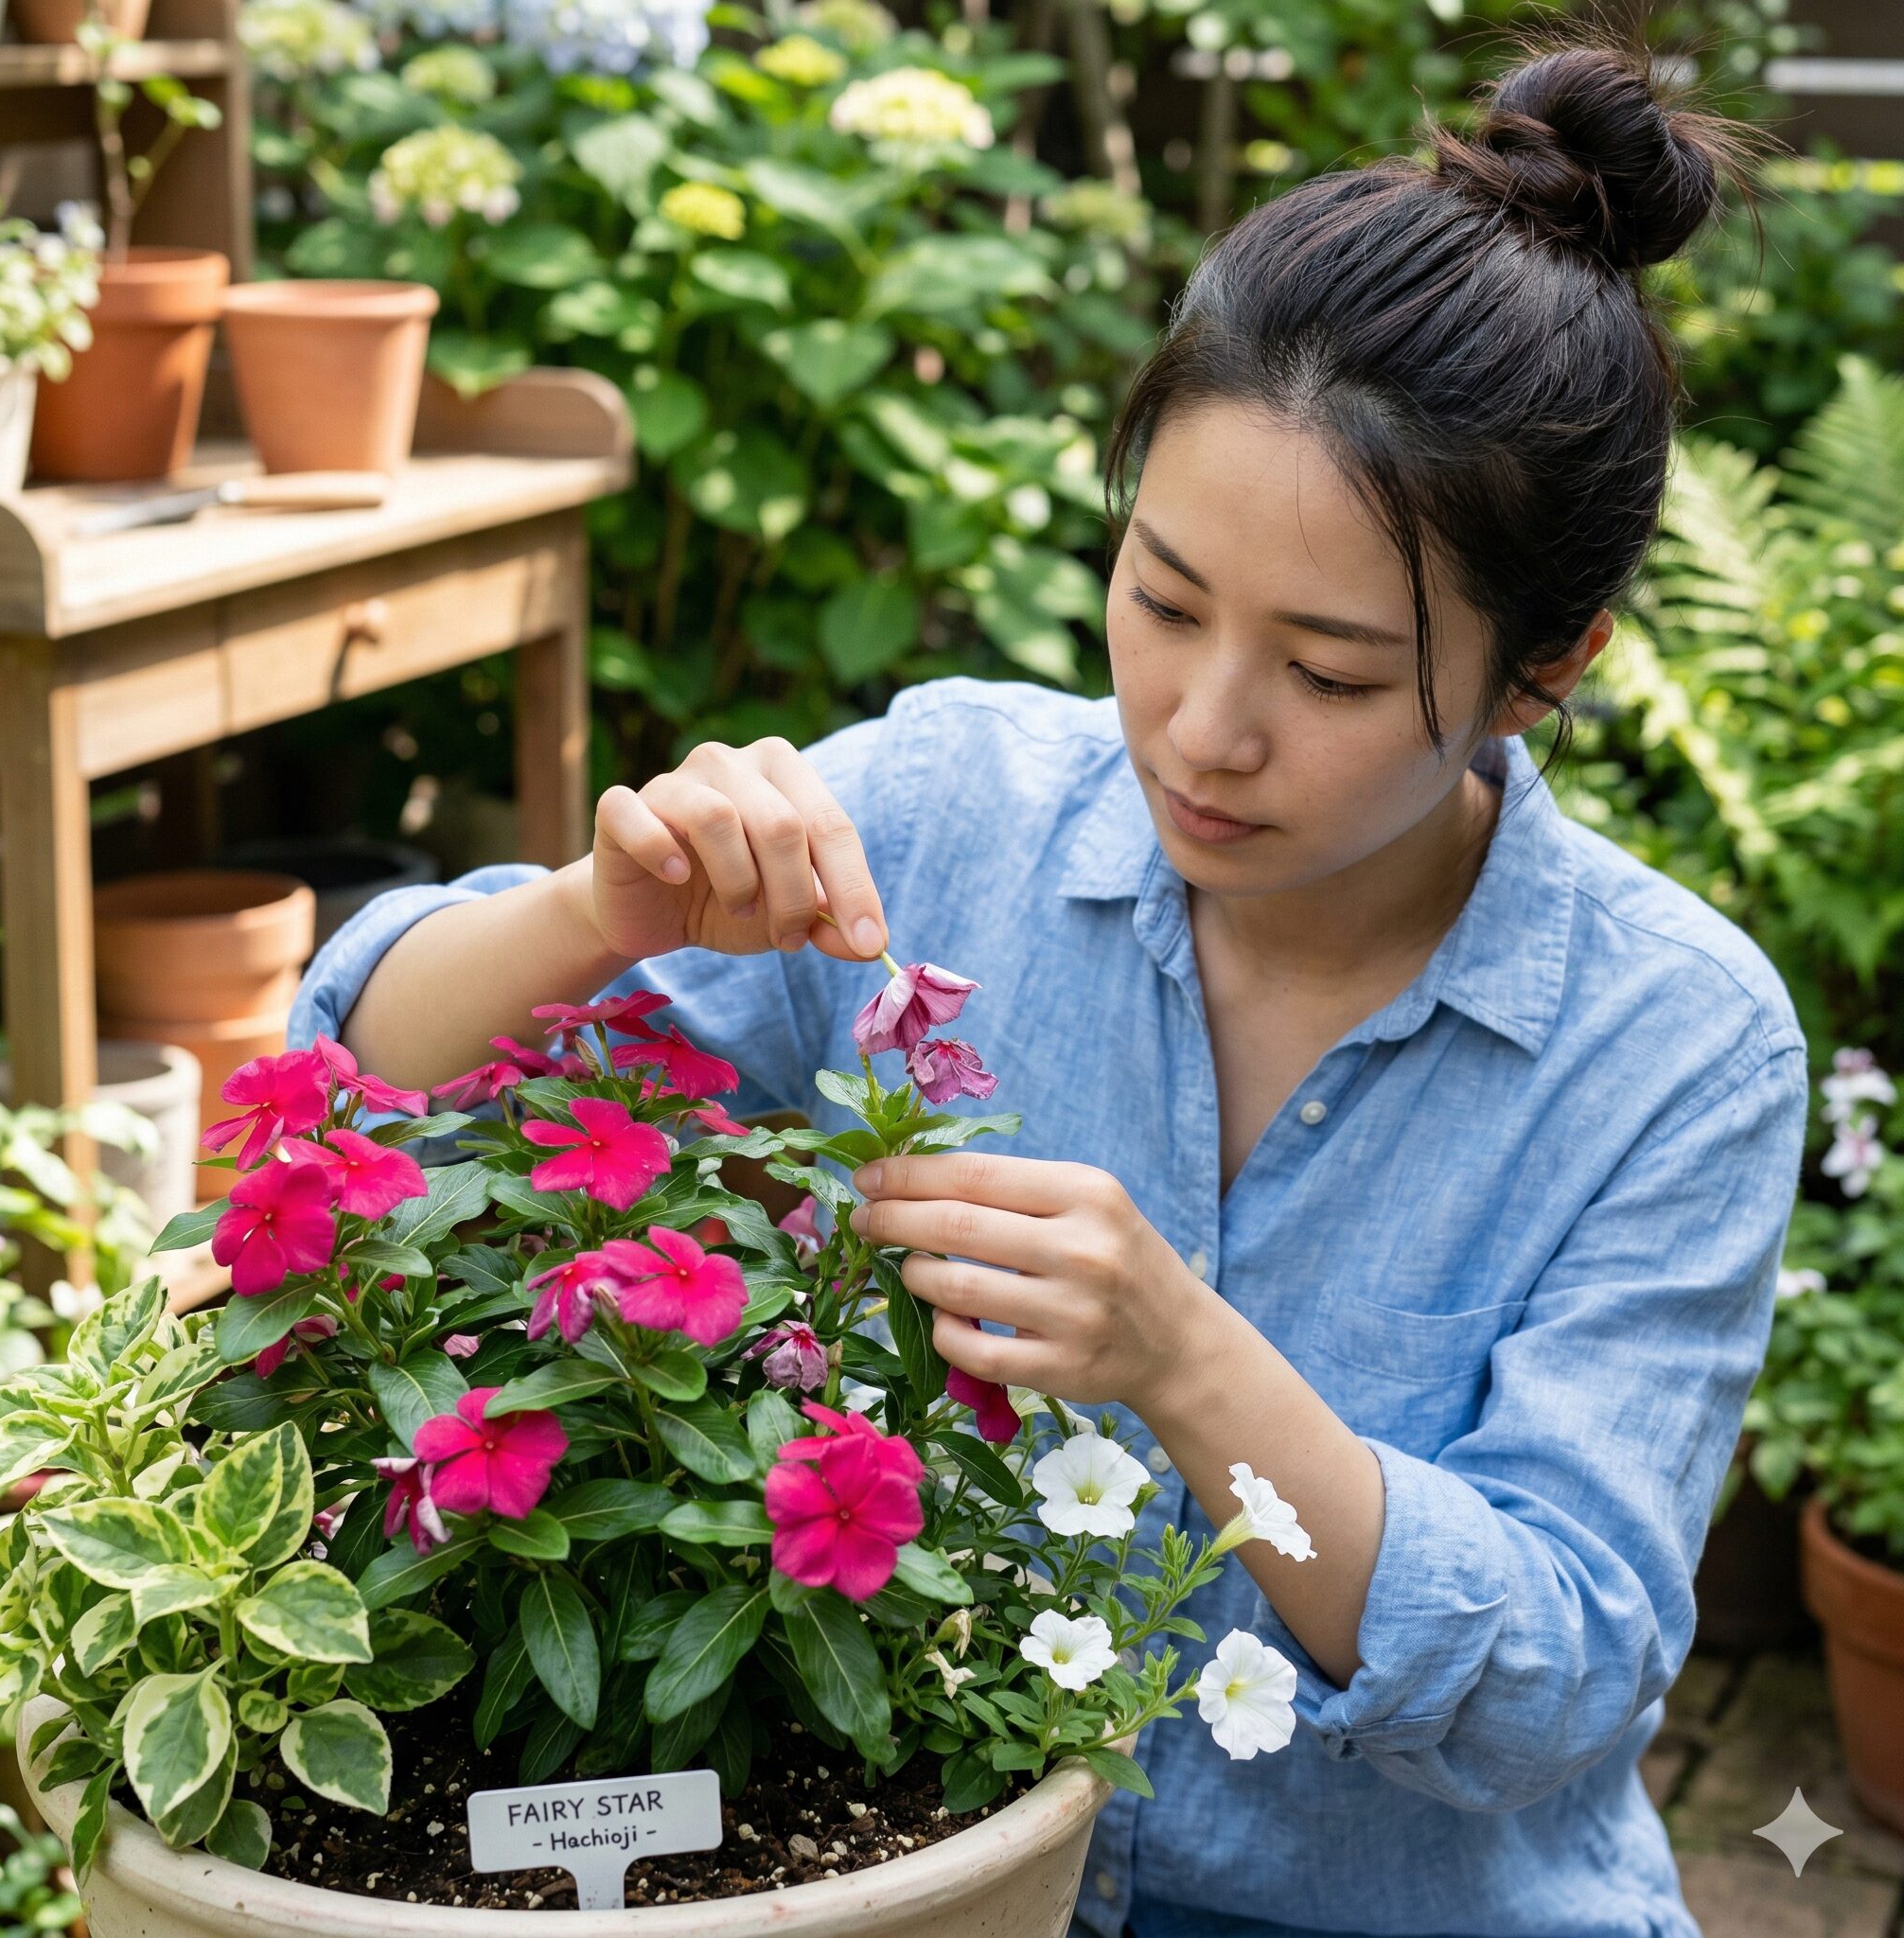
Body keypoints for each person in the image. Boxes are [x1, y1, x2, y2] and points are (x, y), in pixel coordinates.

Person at [288, 39, 1808, 1938]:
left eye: (1330, 675)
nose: (1201, 727)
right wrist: (598, 910)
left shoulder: (1674, 1046)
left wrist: (1182, 1357)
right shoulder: (952, 809)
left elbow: (1554, 1676)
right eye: (1161, 598)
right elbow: (367, 1103)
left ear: (1546, 665)